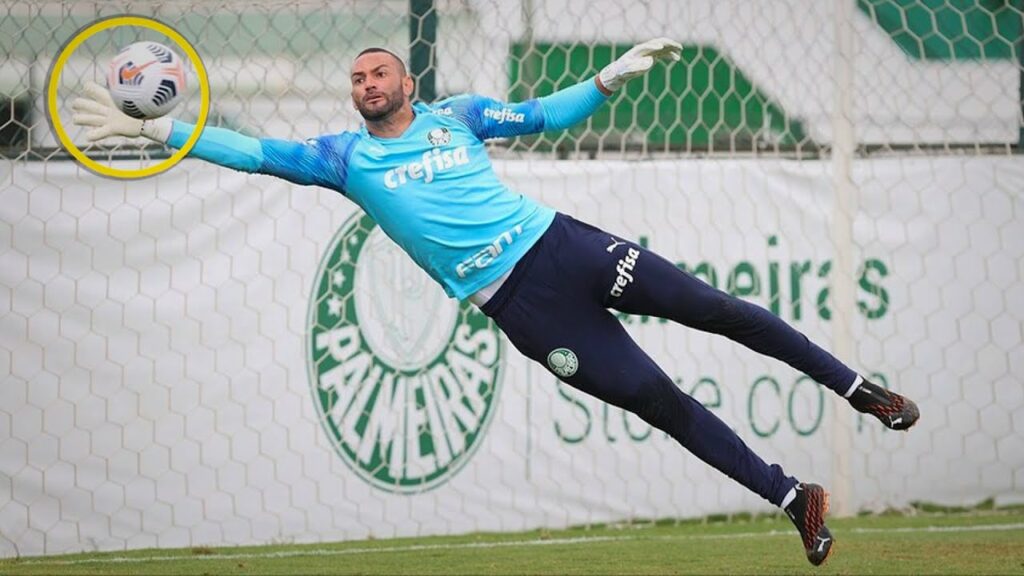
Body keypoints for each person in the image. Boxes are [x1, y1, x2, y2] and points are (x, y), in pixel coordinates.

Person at [72, 38, 919, 566]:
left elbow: (545, 113)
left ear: (408, 81)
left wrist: (606, 80)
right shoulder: (341, 158)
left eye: (378, 71)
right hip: (524, 308)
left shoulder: (460, 116)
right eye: (356, 77)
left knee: (724, 311)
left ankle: (860, 391)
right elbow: (256, 152)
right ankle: (791, 498)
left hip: (567, 247)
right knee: (660, 402)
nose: (365, 82)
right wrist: (166, 131)